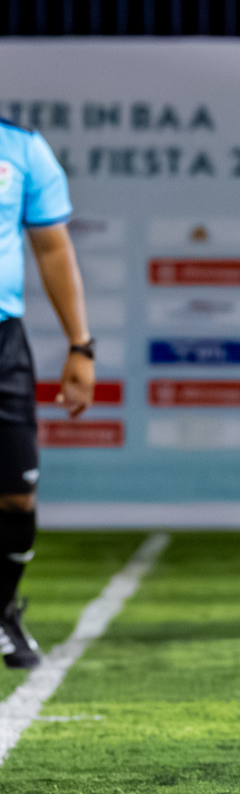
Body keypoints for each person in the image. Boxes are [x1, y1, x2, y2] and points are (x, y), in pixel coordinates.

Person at [0, 118, 94, 669]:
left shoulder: (23, 147)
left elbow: (54, 249)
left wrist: (81, 346)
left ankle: (2, 608)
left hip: (3, 340)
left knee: (16, 495)